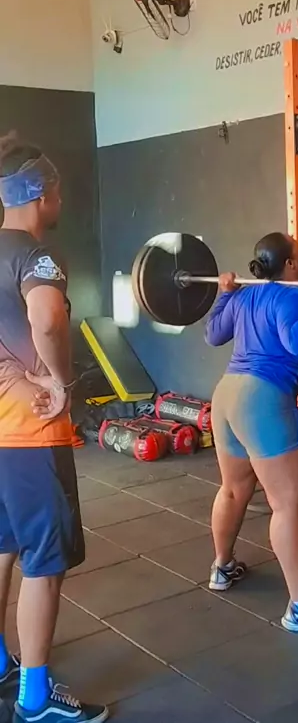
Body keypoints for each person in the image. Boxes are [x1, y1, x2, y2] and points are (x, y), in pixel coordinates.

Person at [0, 133, 108, 723]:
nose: (60, 199)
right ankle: (35, 699)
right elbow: (46, 319)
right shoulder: (38, 256)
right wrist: (61, 382)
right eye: (57, 189)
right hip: (29, 434)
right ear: (40, 193)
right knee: (44, 562)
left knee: (2, 545)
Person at [205, 232, 298, 634]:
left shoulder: (245, 295)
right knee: (286, 504)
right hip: (262, 400)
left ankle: (222, 567)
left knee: (232, 489)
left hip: (227, 395)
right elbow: (294, 341)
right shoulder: (291, 295)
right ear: (289, 264)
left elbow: (213, 334)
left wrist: (224, 294)